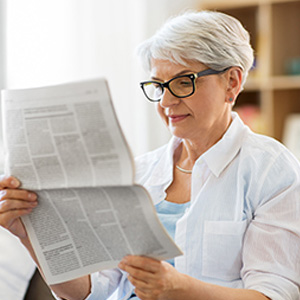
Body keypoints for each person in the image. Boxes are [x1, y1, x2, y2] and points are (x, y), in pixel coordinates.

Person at [0, 10, 299, 300]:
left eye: (184, 82)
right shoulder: (141, 171)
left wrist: (178, 290)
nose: (166, 101)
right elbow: (91, 290)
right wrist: (29, 235)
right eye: (158, 85)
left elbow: (272, 294)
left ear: (232, 81)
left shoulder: (270, 170)